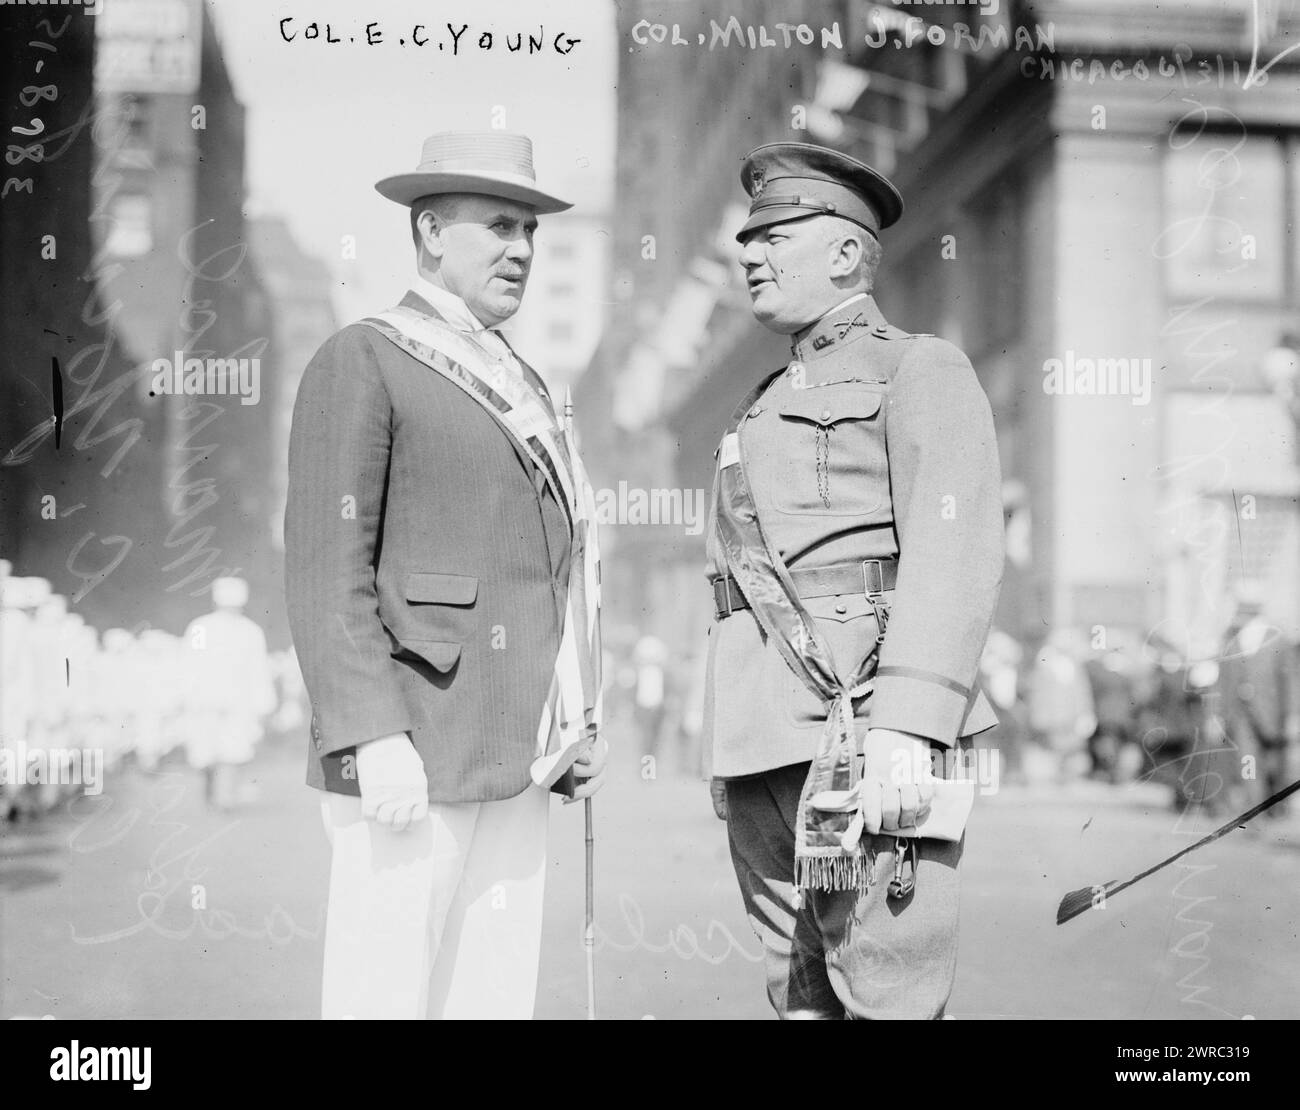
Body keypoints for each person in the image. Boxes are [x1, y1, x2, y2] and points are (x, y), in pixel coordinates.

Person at [284, 131, 606, 1020]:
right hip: (413, 748)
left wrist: (573, 718)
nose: (523, 250)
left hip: (517, 755)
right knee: (381, 999)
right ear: (430, 232)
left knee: (490, 1002)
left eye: (532, 232)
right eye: (501, 226)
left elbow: (551, 569)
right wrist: (370, 734)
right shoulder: (365, 357)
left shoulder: (524, 377)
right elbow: (325, 570)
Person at [703, 142, 1003, 1019]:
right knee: (796, 991)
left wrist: (911, 724)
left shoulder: (917, 368)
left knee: (888, 986)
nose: (748, 253)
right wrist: (726, 752)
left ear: (844, 253)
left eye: (773, 236)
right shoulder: (758, 402)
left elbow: (956, 550)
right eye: (746, 239)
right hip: (766, 739)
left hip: (868, 729)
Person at [182, 577, 276, 808]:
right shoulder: (201, 628)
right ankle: (216, 792)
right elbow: (189, 664)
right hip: (207, 701)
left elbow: (258, 670)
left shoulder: (249, 631)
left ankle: (224, 797)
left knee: (231, 749)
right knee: (208, 751)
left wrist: (262, 702)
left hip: (235, 702)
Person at [1215, 583, 1299, 819]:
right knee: (1248, 763)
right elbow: (1222, 682)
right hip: (1241, 716)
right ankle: (1255, 812)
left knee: (1274, 767)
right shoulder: (1231, 641)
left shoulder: (1277, 640)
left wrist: (1293, 717)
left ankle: (1272, 807)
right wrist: (1219, 714)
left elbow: (1290, 681)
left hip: (1273, 717)